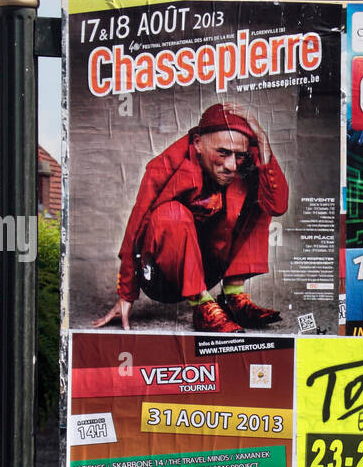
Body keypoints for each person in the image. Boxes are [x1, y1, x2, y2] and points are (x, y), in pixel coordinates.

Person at [93, 102, 286, 333]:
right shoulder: (164, 167)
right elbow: (136, 226)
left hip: (209, 266)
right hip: (163, 277)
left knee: (262, 188)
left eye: (239, 156)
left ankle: (233, 296)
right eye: (222, 153)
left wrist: (262, 139)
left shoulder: (244, 162)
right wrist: (126, 293)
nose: (231, 165)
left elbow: (277, 205)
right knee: (172, 213)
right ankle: (202, 305)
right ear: (197, 144)